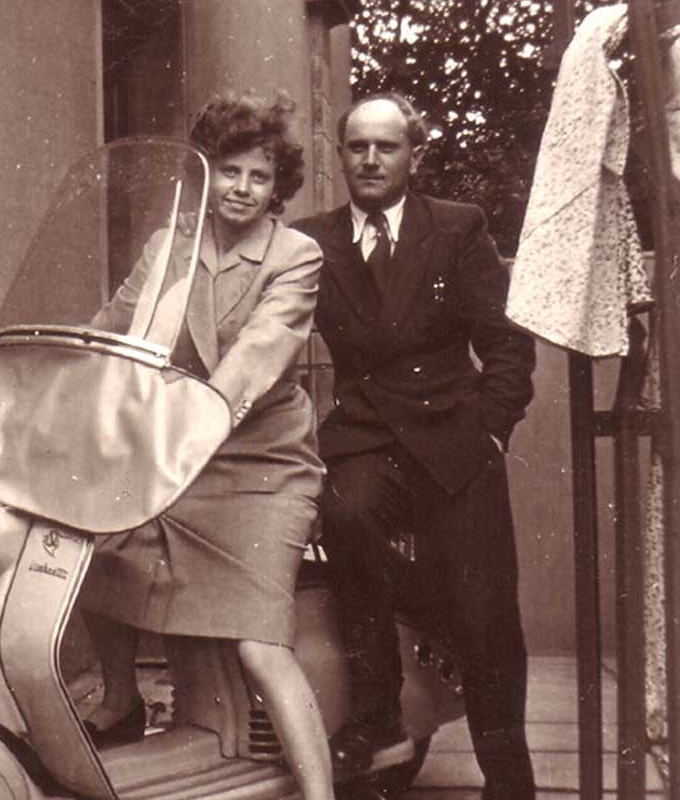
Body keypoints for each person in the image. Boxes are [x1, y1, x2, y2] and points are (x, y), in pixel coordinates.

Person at [80, 92, 334, 800]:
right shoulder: (171, 246)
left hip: (261, 468)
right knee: (93, 548)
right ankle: (122, 699)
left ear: (277, 186)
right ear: (205, 173)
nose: (242, 188)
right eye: (229, 171)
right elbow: (113, 328)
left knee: (260, 644)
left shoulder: (295, 255)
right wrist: (61, 374)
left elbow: (260, 353)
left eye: (259, 176)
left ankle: (321, 794)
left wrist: (195, 417)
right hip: (177, 455)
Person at [292, 92, 537, 800]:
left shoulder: (457, 227)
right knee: (345, 514)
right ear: (341, 156)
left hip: (454, 440)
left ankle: (509, 780)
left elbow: (507, 345)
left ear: (414, 156)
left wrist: (490, 431)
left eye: (387, 146)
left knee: (484, 612)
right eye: (357, 147)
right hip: (367, 438)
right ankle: (377, 721)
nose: (370, 159)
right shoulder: (310, 241)